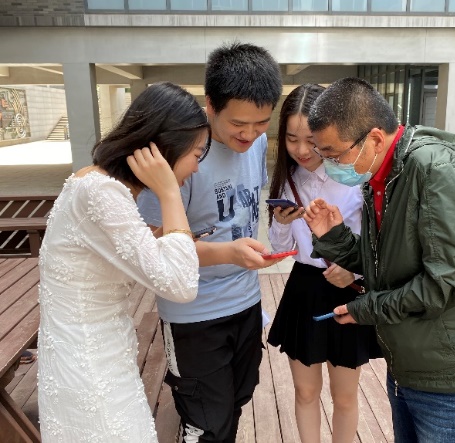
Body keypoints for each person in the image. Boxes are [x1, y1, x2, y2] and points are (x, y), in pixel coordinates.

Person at [303, 77, 455, 443]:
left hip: (454, 373)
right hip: (413, 363)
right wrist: (333, 237)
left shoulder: (438, 171)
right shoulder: (384, 175)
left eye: (334, 155)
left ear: (373, 139)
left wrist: (367, 308)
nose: (329, 166)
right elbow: (389, 262)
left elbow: (449, 282)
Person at [37, 81, 210, 442]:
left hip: (90, 356)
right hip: (91, 370)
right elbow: (181, 286)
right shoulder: (102, 192)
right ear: (165, 148)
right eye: (197, 153)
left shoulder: (94, 181)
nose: (197, 167)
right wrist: (169, 192)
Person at [137, 42, 283, 443]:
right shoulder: (179, 149)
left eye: (261, 123)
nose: (250, 135)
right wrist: (226, 253)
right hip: (194, 314)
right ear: (211, 105)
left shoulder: (255, 145)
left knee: (236, 402)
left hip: (246, 302)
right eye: (239, 124)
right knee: (206, 424)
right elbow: (151, 245)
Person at [266, 83, 381, 443]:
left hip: (346, 287)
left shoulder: (355, 177)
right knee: (305, 392)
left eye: (311, 140)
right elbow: (281, 247)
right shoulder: (289, 179)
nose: (302, 150)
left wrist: (355, 270)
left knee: (344, 396)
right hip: (304, 287)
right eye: (291, 139)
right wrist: (281, 224)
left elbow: (377, 242)